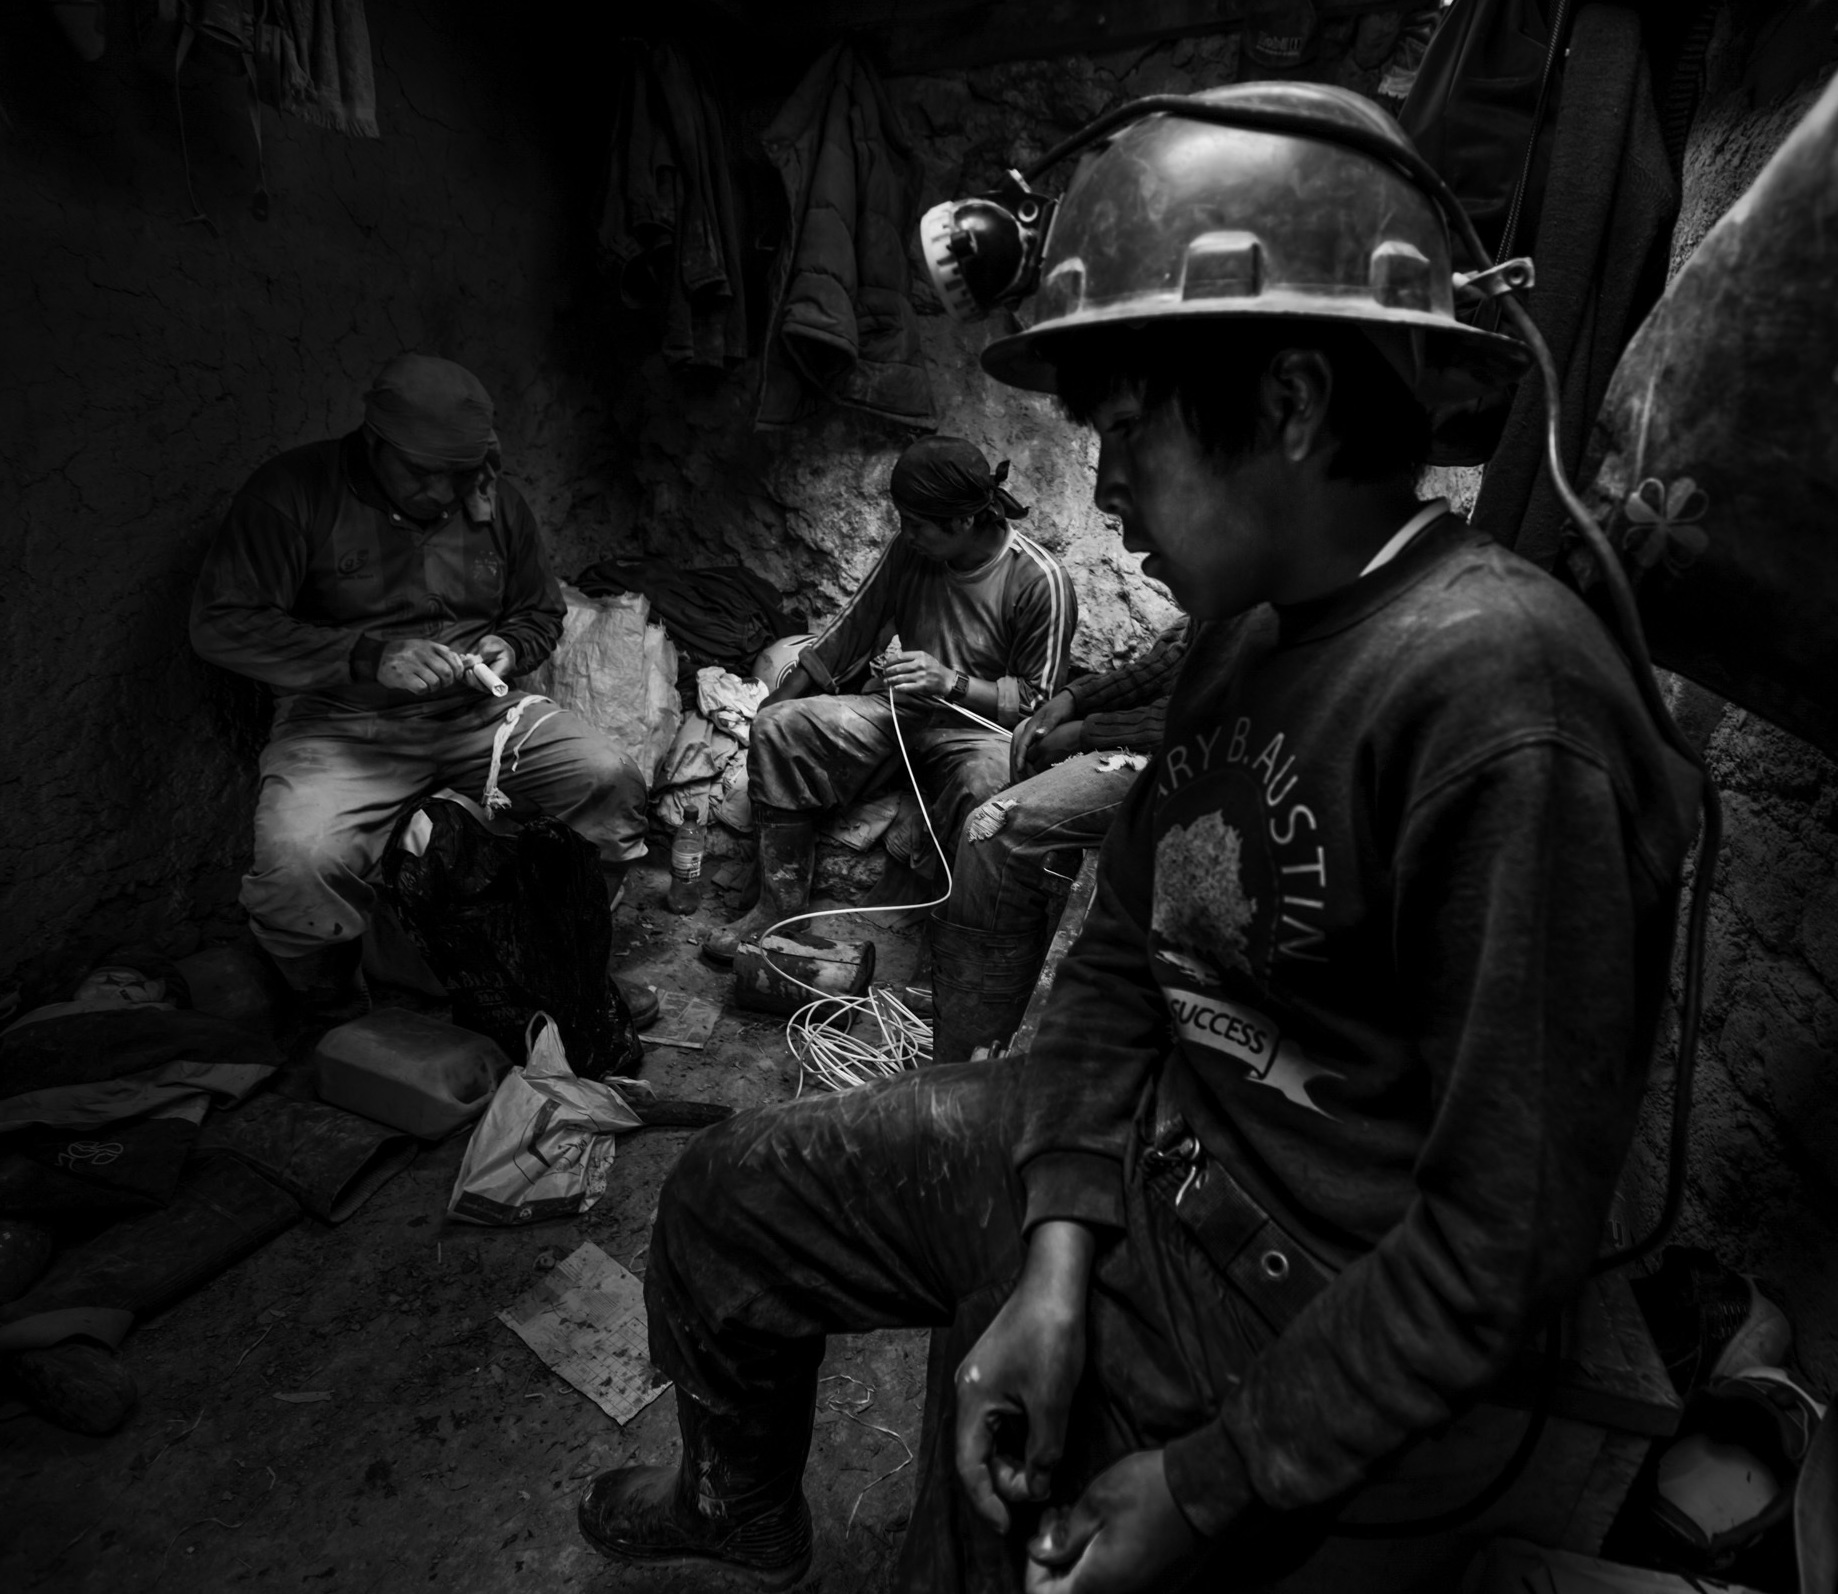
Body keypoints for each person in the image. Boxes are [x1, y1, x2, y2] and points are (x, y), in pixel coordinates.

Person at [580, 83, 1699, 1594]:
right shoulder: (1247, 637)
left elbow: (1497, 1247)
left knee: (984, 1531)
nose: (1101, 488)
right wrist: (1055, 1247)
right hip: (1145, 1160)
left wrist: (1209, 1479)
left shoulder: (1507, 704)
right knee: (730, 1199)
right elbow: (1120, 957)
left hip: (1284, 1290)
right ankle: (739, 1502)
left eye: (1125, 433)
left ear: (1294, 404)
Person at [191, 354, 650, 1020]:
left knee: (608, 779)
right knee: (300, 864)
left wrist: (509, 645)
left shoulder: (494, 502)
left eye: (459, 475)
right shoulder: (293, 493)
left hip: (481, 715)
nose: (442, 493)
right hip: (341, 723)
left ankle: (565, 974)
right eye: (423, 474)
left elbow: (538, 614)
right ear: (373, 444)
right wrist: (363, 656)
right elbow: (220, 624)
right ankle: (336, 1019)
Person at [702, 435, 1077, 963]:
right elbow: (852, 627)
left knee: (990, 785)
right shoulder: (912, 550)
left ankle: (949, 955)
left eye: (917, 523)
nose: (906, 534)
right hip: (899, 714)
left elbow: (1040, 704)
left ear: (963, 521)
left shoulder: (1040, 581)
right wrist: (779, 701)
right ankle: (778, 909)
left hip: (978, 736)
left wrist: (951, 682)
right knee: (781, 726)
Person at [929, 618, 1190, 1065]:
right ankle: (969, 1028)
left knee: (994, 832)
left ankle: (963, 1069)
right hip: (1175, 731)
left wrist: (1092, 732)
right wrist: (1074, 699)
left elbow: (1216, 708)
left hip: (1206, 758)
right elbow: (1176, 662)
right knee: (1010, 782)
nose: (1136, 544)